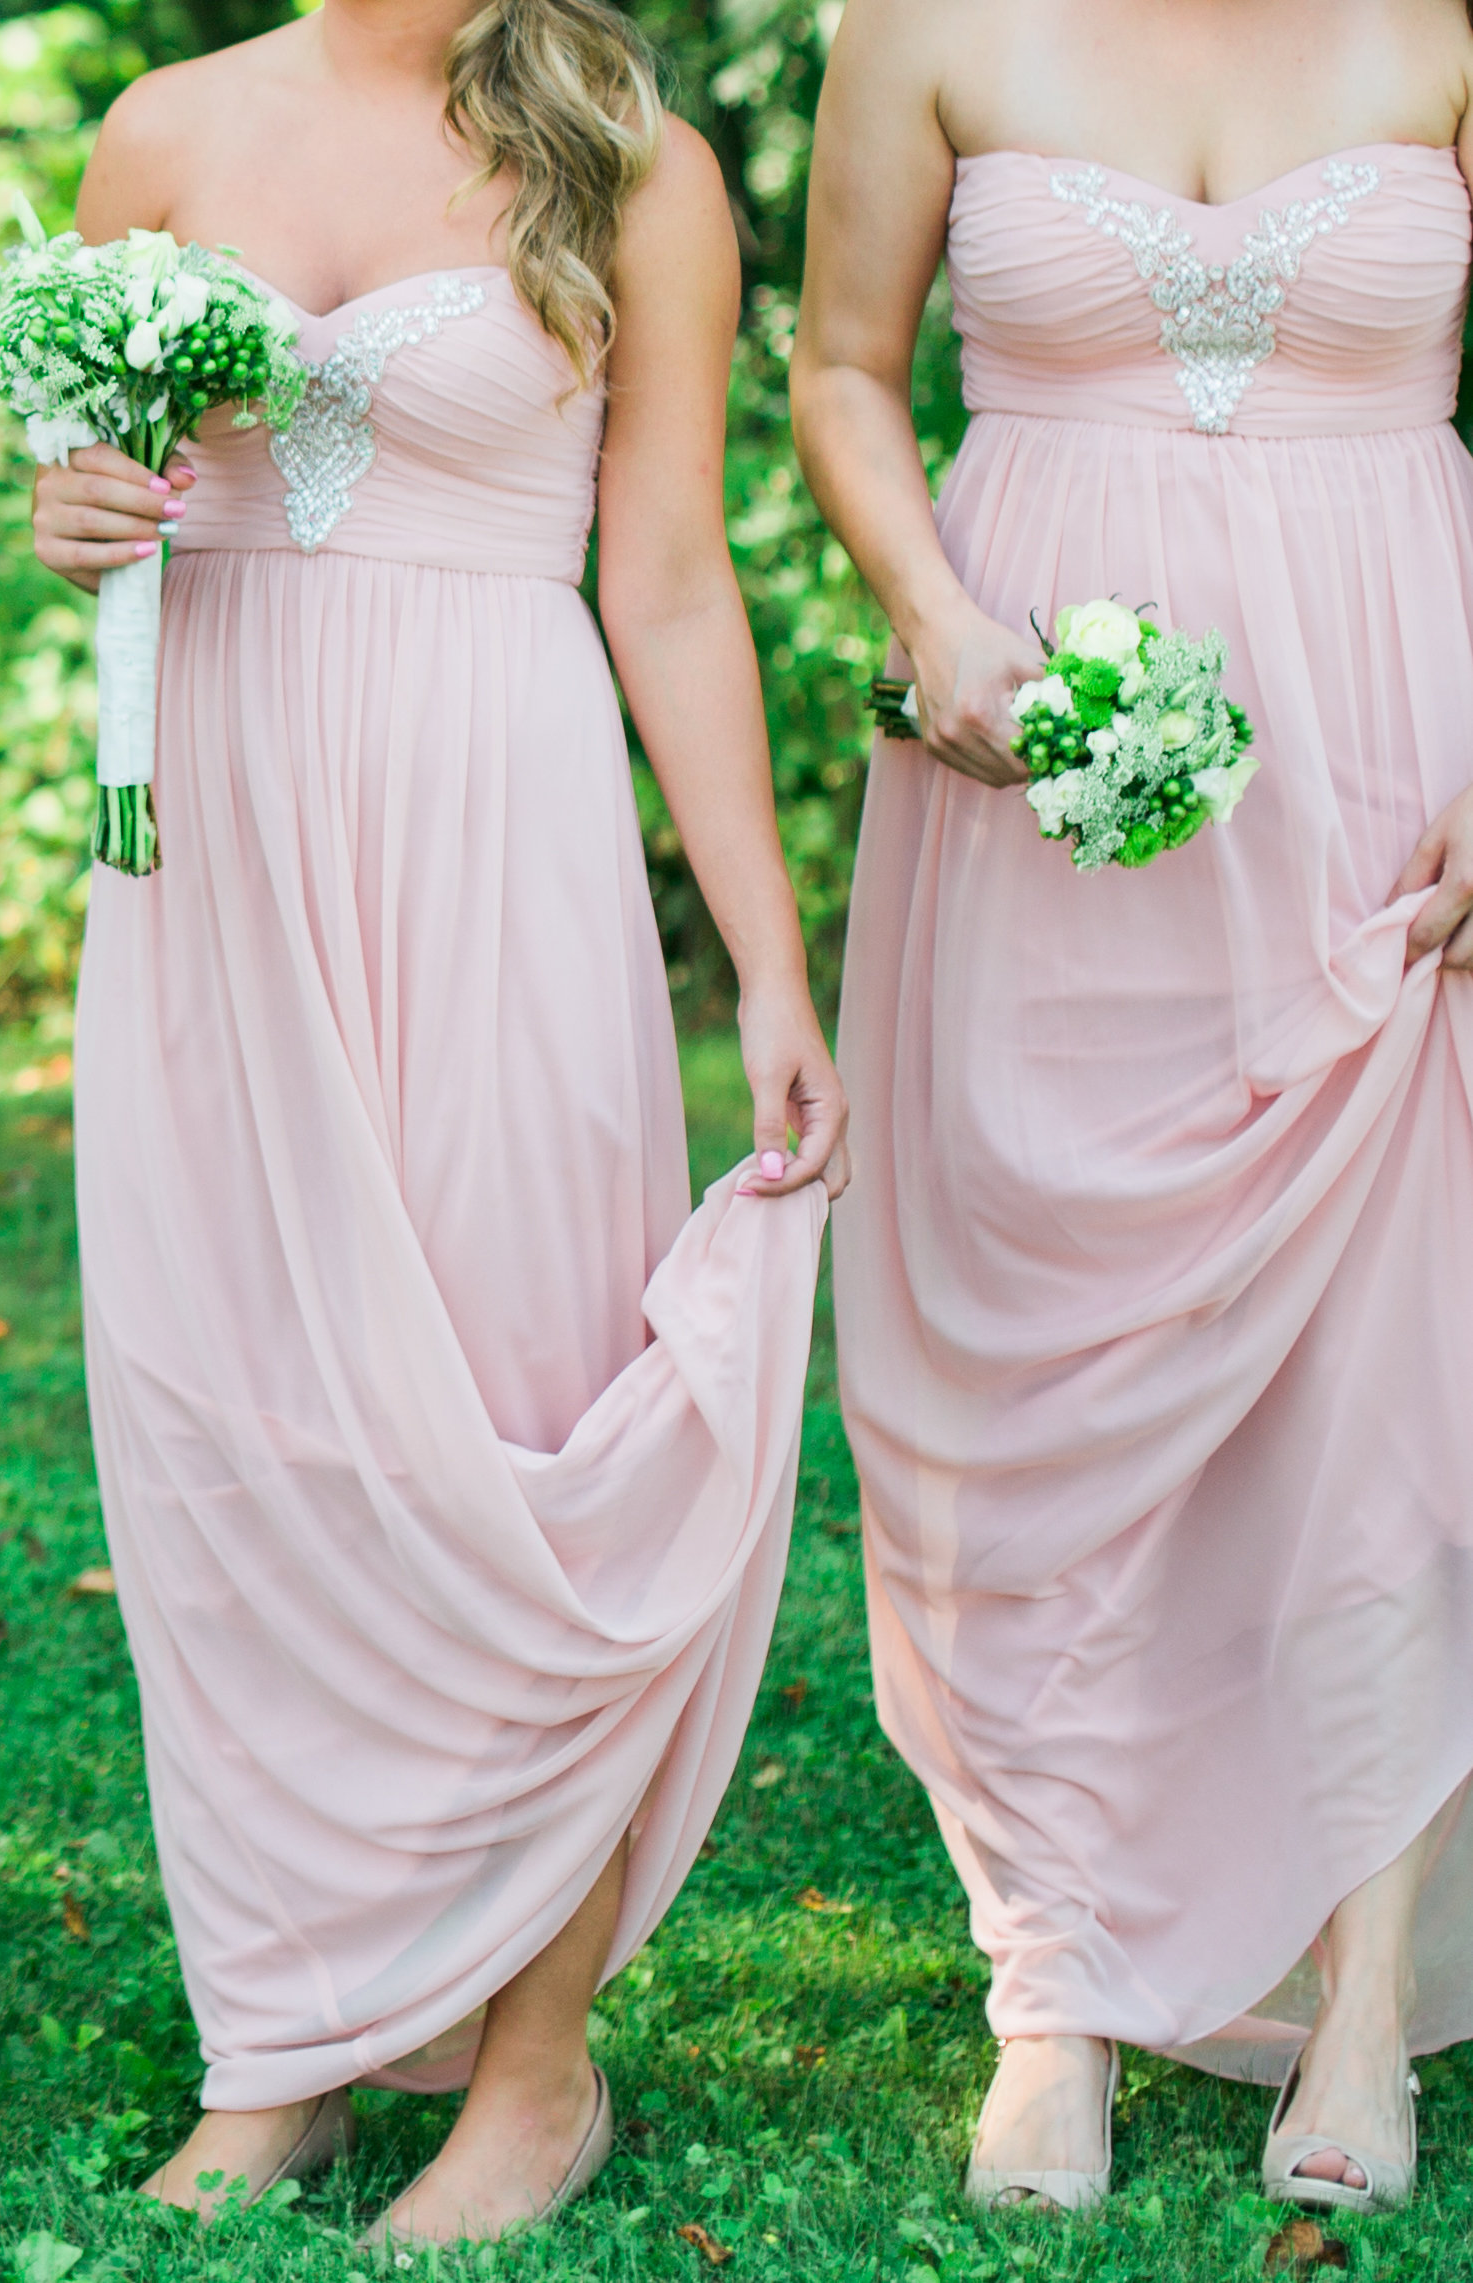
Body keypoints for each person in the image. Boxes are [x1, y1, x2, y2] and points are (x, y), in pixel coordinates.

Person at [30, 0, 848, 2246]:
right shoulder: (166, 129)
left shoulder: (631, 160)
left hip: (490, 821)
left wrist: (771, 962)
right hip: (211, 839)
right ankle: (281, 2034)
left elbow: (667, 580)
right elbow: (91, 497)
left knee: (521, 1423)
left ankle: (532, 2062)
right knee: (242, 1425)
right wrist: (72, 517)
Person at [792, 0, 1473, 2219]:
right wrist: (931, 612)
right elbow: (838, 371)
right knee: (1035, 1351)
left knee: (1385, 1378)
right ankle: (1053, 1983)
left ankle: (1359, 1997)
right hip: (1031, 781)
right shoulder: (917, 21)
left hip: (1387, 760)